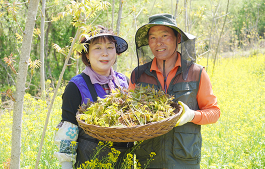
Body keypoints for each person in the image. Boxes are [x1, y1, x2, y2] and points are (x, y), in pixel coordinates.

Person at [129, 14, 221, 169]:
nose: (159, 43)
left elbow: (214, 112)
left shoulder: (196, 72)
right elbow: (129, 114)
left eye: (165, 36)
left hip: (184, 160)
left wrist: (192, 115)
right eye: (153, 38)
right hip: (148, 160)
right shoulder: (138, 75)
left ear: (178, 38)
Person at [54, 25, 133, 169]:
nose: (105, 53)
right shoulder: (76, 87)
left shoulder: (125, 82)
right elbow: (68, 132)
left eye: (110, 47)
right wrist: (66, 165)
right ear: (87, 54)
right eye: (97, 48)